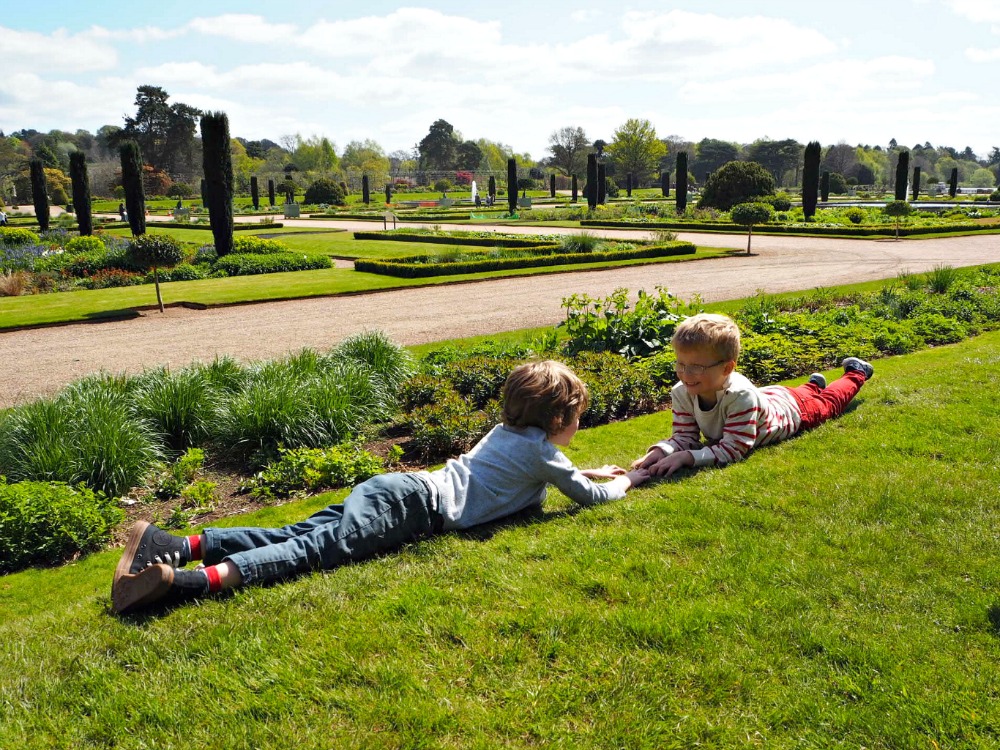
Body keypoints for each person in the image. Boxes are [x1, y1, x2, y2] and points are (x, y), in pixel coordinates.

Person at [112, 360, 650, 614]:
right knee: (311, 550)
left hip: (399, 487)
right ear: (559, 419)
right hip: (416, 510)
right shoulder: (543, 452)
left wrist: (589, 470)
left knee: (302, 529)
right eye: (577, 417)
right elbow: (585, 496)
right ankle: (190, 582)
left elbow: (561, 477)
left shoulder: (507, 432)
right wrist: (627, 479)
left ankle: (176, 545)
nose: (578, 426)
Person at [632, 313, 874, 476]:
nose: (685, 373)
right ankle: (812, 385)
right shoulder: (682, 391)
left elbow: (734, 448)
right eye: (680, 364)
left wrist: (688, 458)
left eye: (696, 367)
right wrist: (660, 451)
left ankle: (856, 372)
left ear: (727, 368)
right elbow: (685, 436)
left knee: (828, 404)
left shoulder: (740, 396)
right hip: (772, 396)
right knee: (807, 394)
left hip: (794, 412)